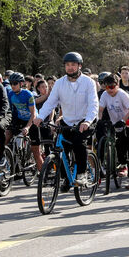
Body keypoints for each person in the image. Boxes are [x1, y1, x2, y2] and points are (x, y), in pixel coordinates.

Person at [33, 52, 98, 189]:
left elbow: (93, 104)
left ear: (79, 66)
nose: (70, 67)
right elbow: (50, 102)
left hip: (85, 120)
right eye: (67, 65)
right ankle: (65, 177)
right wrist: (39, 117)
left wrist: (87, 121)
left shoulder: (88, 82)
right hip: (67, 121)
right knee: (60, 148)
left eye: (73, 65)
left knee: (78, 143)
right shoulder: (59, 83)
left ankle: (82, 174)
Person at [99, 73, 129, 186]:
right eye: (107, 87)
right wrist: (99, 120)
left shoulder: (122, 94)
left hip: (128, 122)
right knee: (119, 144)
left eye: (112, 86)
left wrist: (123, 120)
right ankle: (122, 165)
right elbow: (100, 109)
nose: (110, 89)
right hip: (115, 123)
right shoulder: (105, 95)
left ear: (117, 85)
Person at [6, 72, 43, 176]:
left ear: (21, 84)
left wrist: (27, 127)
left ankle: (43, 174)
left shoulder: (28, 94)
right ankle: (6, 159)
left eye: (15, 83)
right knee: (7, 134)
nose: (12, 86)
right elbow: (11, 110)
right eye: (11, 83)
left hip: (33, 120)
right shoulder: (10, 94)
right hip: (20, 119)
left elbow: (33, 114)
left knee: (36, 151)